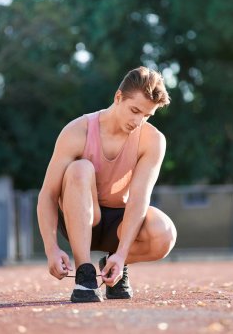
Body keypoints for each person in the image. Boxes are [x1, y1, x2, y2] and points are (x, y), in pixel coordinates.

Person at [37, 66, 177, 303]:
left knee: (165, 234)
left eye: (146, 115)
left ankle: (112, 266)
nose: (138, 121)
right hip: (81, 217)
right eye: (134, 110)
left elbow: (139, 199)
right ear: (118, 97)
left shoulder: (153, 140)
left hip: (120, 224)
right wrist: (51, 248)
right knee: (81, 169)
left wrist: (122, 256)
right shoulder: (77, 131)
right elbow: (48, 195)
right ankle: (85, 274)